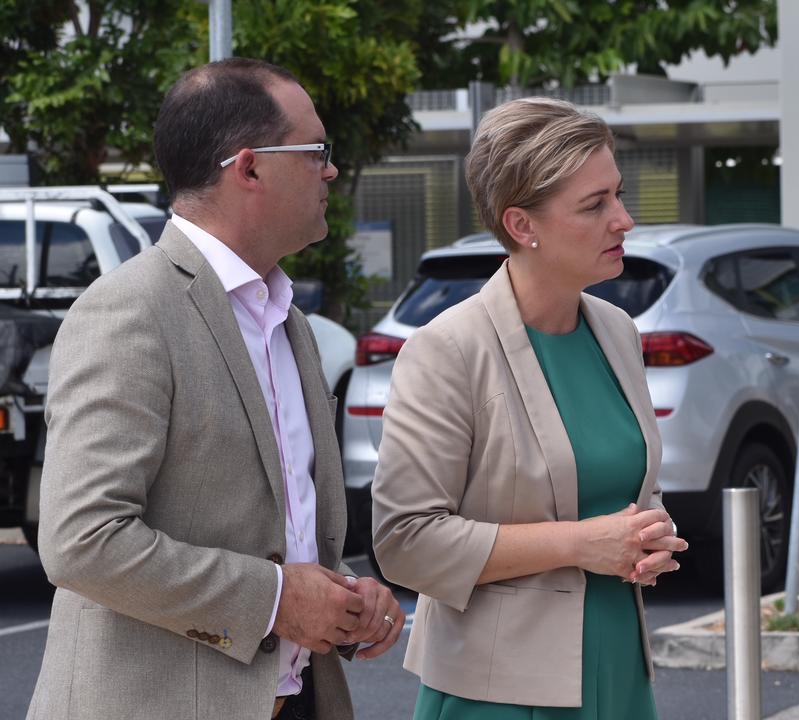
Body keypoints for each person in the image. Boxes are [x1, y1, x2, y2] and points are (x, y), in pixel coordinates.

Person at [27, 58, 405, 720]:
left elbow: (279, 532)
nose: (332, 170)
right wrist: (277, 599)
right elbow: (82, 539)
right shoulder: (131, 310)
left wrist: (346, 596)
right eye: (316, 151)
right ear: (250, 167)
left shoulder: (289, 320)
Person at [371, 97, 686, 718]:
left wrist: (652, 534)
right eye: (594, 205)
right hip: (499, 694)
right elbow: (405, 541)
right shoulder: (448, 349)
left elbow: (619, 497)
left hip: (620, 671)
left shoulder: (617, 331)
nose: (622, 219)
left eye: (617, 195)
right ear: (522, 226)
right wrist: (579, 544)